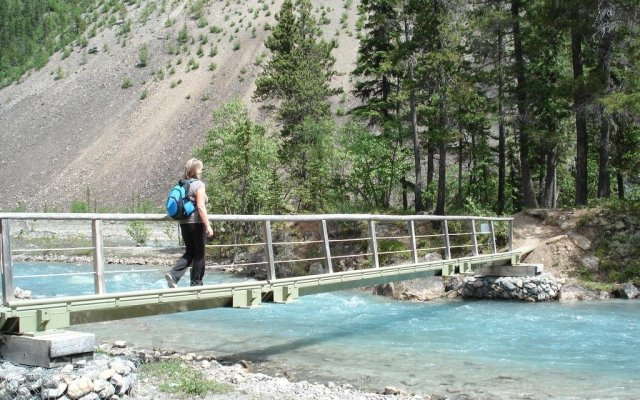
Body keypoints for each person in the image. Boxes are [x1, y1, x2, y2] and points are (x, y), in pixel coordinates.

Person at [165, 158, 213, 287]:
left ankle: (174, 275)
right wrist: (208, 225)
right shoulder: (199, 185)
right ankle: (196, 283)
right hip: (196, 223)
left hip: (184, 222)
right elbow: (201, 206)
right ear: (196, 170)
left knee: (190, 251)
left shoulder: (182, 184)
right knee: (199, 253)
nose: (201, 170)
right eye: (200, 168)